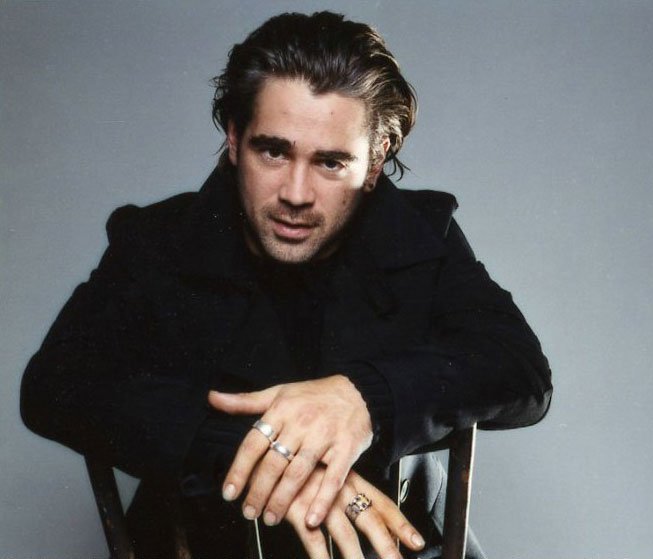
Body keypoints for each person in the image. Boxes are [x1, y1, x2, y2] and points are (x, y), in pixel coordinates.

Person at [20, 10, 552, 559]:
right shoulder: (158, 243)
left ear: (375, 162)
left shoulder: (417, 236)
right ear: (234, 139)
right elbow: (56, 383)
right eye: (273, 151)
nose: (295, 194)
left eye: (330, 162)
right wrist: (273, 458)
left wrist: (364, 398)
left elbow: (522, 373)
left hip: (393, 545)